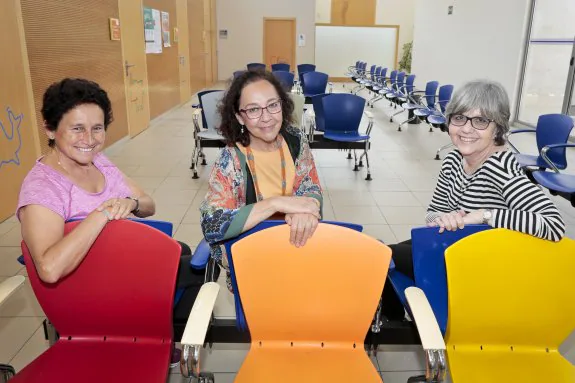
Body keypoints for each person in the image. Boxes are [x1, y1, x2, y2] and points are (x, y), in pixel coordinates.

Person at [16, 78, 202, 366]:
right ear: (51, 129)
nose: (89, 140)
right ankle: (155, 339)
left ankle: (157, 338)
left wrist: (131, 204)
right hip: (92, 290)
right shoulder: (43, 189)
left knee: (185, 253)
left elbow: (149, 204)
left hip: (119, 268)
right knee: (197, 269)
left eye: (97, 128)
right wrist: (101, 214)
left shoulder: (98, 161)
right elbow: (50, 269)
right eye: (77, 128)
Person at [382, 80, 566, 320]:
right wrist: (443, 218)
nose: (467, 129)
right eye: (459, 118)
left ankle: (393, 325)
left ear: (497, 128)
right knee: (384, 254)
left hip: (484, 266)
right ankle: (393, 321)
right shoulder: (451, 161)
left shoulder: (502, 168)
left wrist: (484, 216)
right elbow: (433, 211)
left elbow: (553, 225)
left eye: (480, 121)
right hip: (457, 247)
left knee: (384, 255)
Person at [200, 70, 323, 288]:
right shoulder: (231, 159)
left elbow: (310, 186)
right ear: (239, 117)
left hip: (299, 250)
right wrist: (275, 203)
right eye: (254, 109)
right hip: (254, 264)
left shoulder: (295, 140)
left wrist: (308, 208)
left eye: (272, 105)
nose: (266, 117)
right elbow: (212, 223)